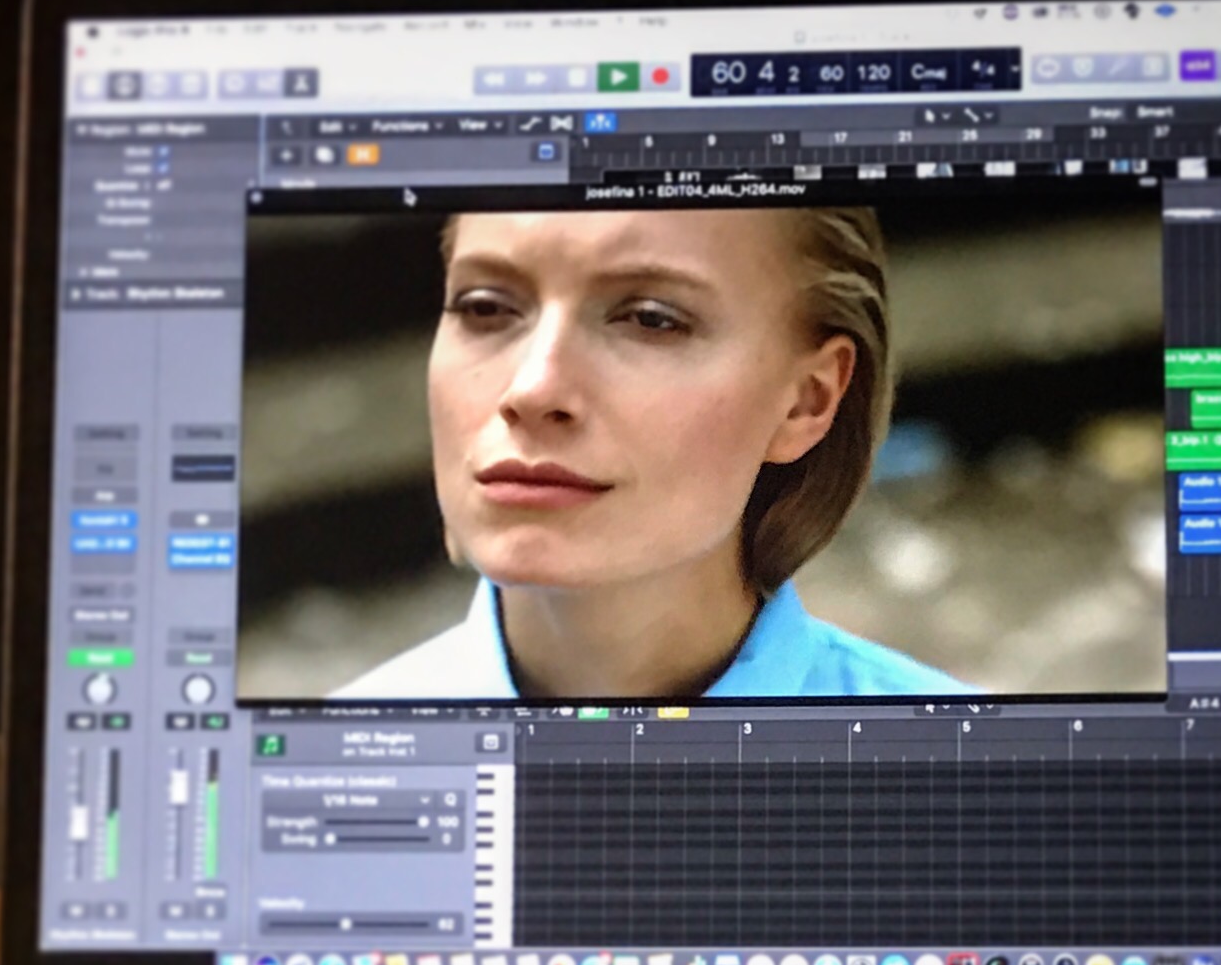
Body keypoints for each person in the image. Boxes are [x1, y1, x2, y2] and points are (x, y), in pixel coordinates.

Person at [334, 206, 971, 701]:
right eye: (485, 307)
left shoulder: (965, 776)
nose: (531, 389)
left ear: (807, 400)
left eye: (650, 319)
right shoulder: (315, 773)